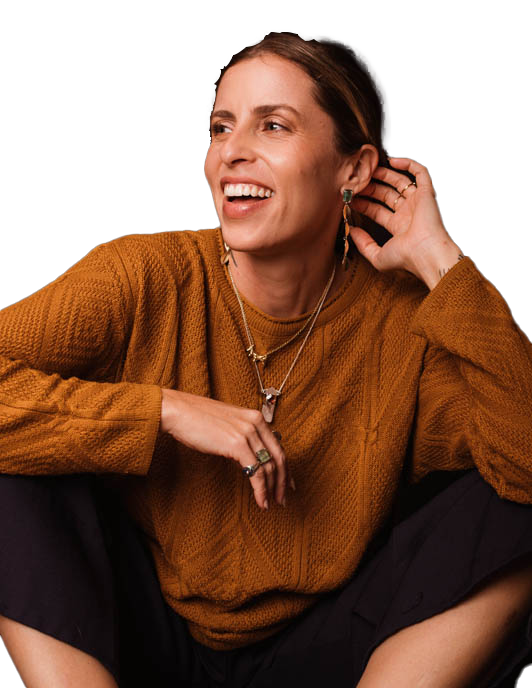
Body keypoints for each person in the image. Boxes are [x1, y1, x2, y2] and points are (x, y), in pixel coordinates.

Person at [1, 28, 532, 688]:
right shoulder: (143, 277)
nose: (231, 153)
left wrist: (439, 262)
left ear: (356, 169)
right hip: (144, 638)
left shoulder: (407, 323)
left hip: (336, 653)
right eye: (220, 128)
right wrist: (164, 412)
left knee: (514, 503)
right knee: (15, 461)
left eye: (272, 126)